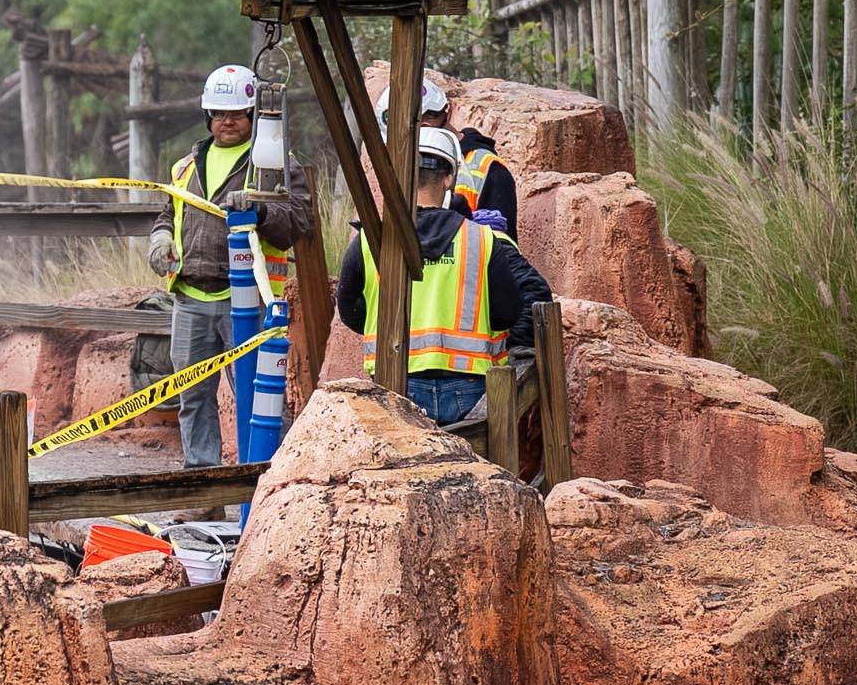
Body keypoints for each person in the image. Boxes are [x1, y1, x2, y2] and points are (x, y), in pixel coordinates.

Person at [146, 64, 313, 468]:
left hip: (249, 301)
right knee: (193, 398)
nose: (227, 121)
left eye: (237, 113)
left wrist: (259, 211)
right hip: (190, 299)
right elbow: (167, 215)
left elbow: (298, 222)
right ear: (208, 116)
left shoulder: (271, 163)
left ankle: (270, 483)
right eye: (220, 113)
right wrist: (160, 239)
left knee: (260, 396)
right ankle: (203, 487)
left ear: (253, 116)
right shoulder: (185, 167)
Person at [336, 126, 554, 426]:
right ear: (449, 178)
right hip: (468, 392)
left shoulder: (369, 239)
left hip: (395, 387)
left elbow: (350, 312)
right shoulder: (481, 239)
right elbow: (507, 312)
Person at [377, 75, 519, 239]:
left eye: (405, 144)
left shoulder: (490, 170)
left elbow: (505, 255)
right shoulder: (413, 166)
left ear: (425, 128)